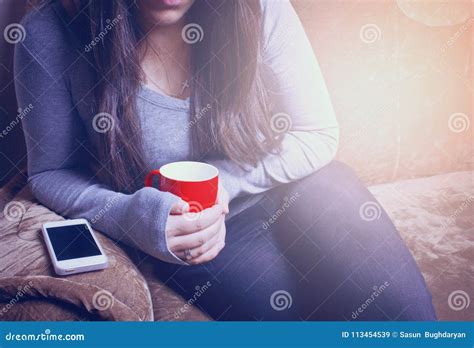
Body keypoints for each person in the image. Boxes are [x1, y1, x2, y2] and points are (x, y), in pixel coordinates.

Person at [15, 0, 436, 320]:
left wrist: (225, 186)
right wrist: (131, 216)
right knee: (294, 318)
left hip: (290, 188)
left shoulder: (257, 7)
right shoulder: (51, 31)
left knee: (402, 319)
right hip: (197, 229)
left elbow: (317, 132)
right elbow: (51, 172)